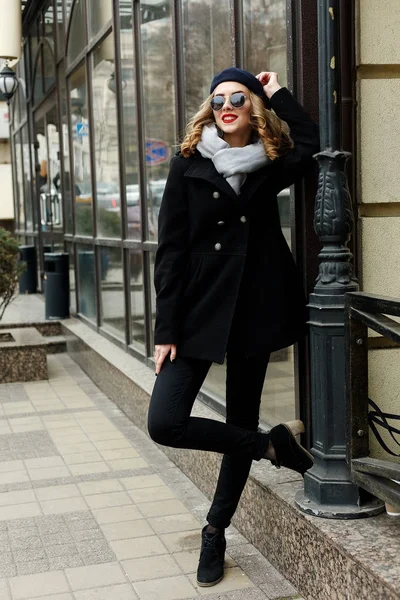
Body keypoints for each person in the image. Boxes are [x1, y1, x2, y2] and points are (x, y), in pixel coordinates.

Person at [148, 67, 320, 587]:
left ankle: (215, 530)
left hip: (256, 306)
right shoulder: (189, 163)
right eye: (218, 98)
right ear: (211, 110)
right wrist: (165, 328)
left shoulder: (271, 160)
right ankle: (270, 447)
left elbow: (312, 143)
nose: (226, 105)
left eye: (239, 98)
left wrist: (278, 90)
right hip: (198, 310)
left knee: (240, 415)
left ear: (252, 110)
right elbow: (170, 250)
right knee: (165, 421)